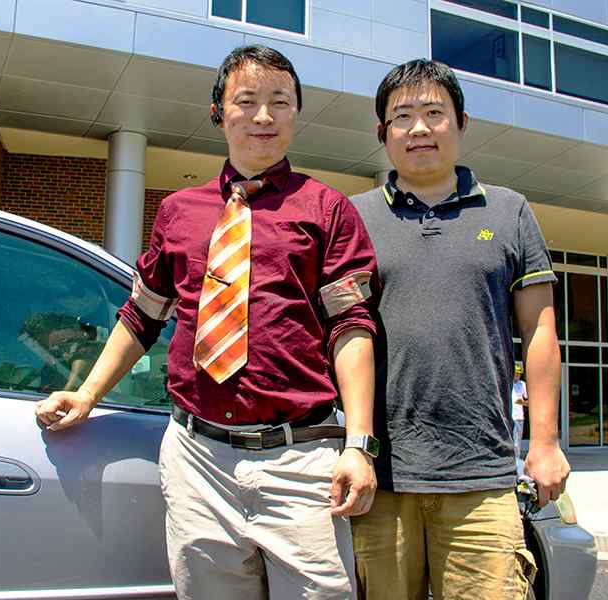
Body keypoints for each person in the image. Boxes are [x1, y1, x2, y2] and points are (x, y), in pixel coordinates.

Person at [35, 44, 380, 600]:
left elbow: (353, 328)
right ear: (219, 111)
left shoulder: (328, 209)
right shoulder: (178, 211)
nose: (263, 116)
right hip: (198, 459)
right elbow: (142, 316)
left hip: (301, 461)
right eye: (247, 101)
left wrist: (359, 445)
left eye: (280, 102)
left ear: (296, 114)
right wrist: (86, 394)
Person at [350, 59, 570, 600]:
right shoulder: (351, 218)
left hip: (482, 477)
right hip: (383, 481)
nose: (419, 128)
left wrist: (545, 441)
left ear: (461, 123)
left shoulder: (510, 210)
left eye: (434, 113)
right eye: (403, 116)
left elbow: (540, 331)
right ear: (383, 133)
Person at [512, 363, 528, 462]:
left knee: (517, 442)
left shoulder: (522, 385)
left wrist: (522, 402)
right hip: (507, 416)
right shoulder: (507, 383)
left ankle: (516, 461)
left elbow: (528, 402)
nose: (517, 375)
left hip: (518, 417)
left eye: (519, 374)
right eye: (516, 373)